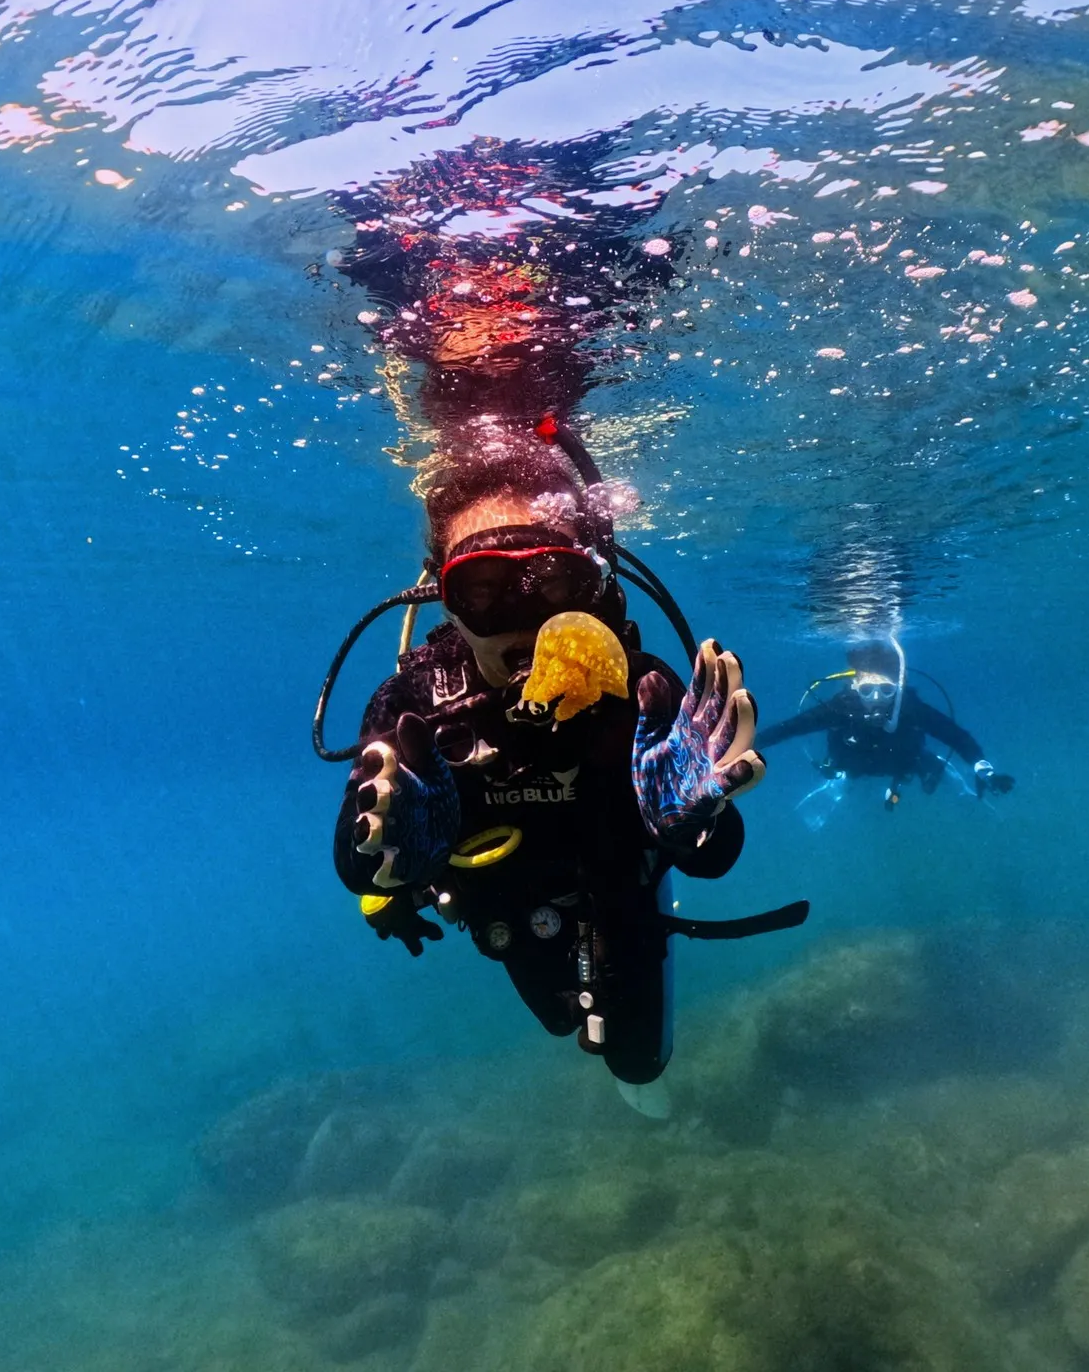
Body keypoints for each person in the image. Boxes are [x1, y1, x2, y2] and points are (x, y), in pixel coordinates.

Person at [317, 144, 801, 1103]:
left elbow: (716, 858)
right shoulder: (419, 698)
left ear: (597, 577)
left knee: (635, 1057)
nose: (524, 622)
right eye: (485, 588)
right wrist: (397, 858)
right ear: (437, 594)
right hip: (501, 906)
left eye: (549, 581)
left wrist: (686, 826)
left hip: (615, 889)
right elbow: (353, 850)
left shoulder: (643, 688)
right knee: (550, 1018)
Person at [757, 635, 1015, 809]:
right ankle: (839, 784)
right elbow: (789, 728)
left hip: (906, 765)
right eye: (867, 690)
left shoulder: (910, 709)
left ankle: (972, 800)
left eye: (887, 690)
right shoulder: (840, 707)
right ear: (854, 685)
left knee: (932, 767)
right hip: (852, 767)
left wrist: (984, 769)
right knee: (843, 773)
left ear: (899, 688)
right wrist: (747, 744)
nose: (877, 699)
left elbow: (956, 736)